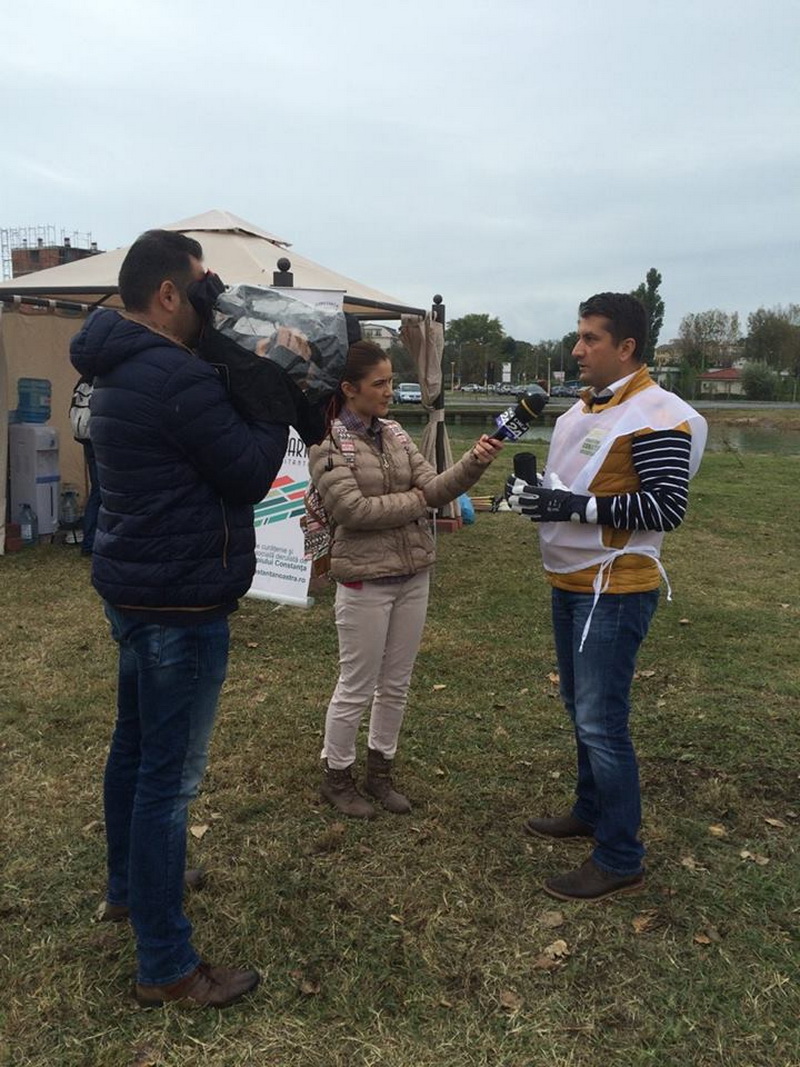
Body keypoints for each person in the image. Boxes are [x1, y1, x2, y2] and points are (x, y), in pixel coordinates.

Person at [70, 230, 289, 1008]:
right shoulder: (170, 372)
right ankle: (165, 962)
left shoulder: (115, 363)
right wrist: (279, 382)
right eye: (199, 291)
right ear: (168, 293)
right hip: (180, 600)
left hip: (133, 584)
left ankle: (130, 884)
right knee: (169, 781)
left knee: (134, 747)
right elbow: (250, 468)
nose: (206, 305)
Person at [506, 293, 706, 902]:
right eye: (579, 335)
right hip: (570, 582)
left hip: (614, 588)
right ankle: (591, 810)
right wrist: (539, 492)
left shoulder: (657, 413)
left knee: (601, 720)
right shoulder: (581, 412)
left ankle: (620, 855)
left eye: (591, 338)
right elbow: (585, 490)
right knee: (579, 706)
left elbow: (665, 507)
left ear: (627, 348)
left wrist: (569, 506)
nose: (577, 349)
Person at [308, 340, 503, 818]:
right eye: (380, 384)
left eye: (392, 382)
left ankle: (380, 773)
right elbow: (349, 510)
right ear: (349, 389)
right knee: (357, 683)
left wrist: (474, 461)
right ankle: (337, 775)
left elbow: (434, 485)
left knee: (396, 682)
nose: (390, 392)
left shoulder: (394, 433)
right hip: (365, 581)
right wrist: (418, 503)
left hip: (413, 572)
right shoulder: (327, 440)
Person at [68, 375, 101, 554]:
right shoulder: (106, 376)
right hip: (102, 438)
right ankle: (92, 542)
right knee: (103, 492)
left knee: (97, 490)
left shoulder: (83, 379)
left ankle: (88, 542)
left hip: (87, 439)